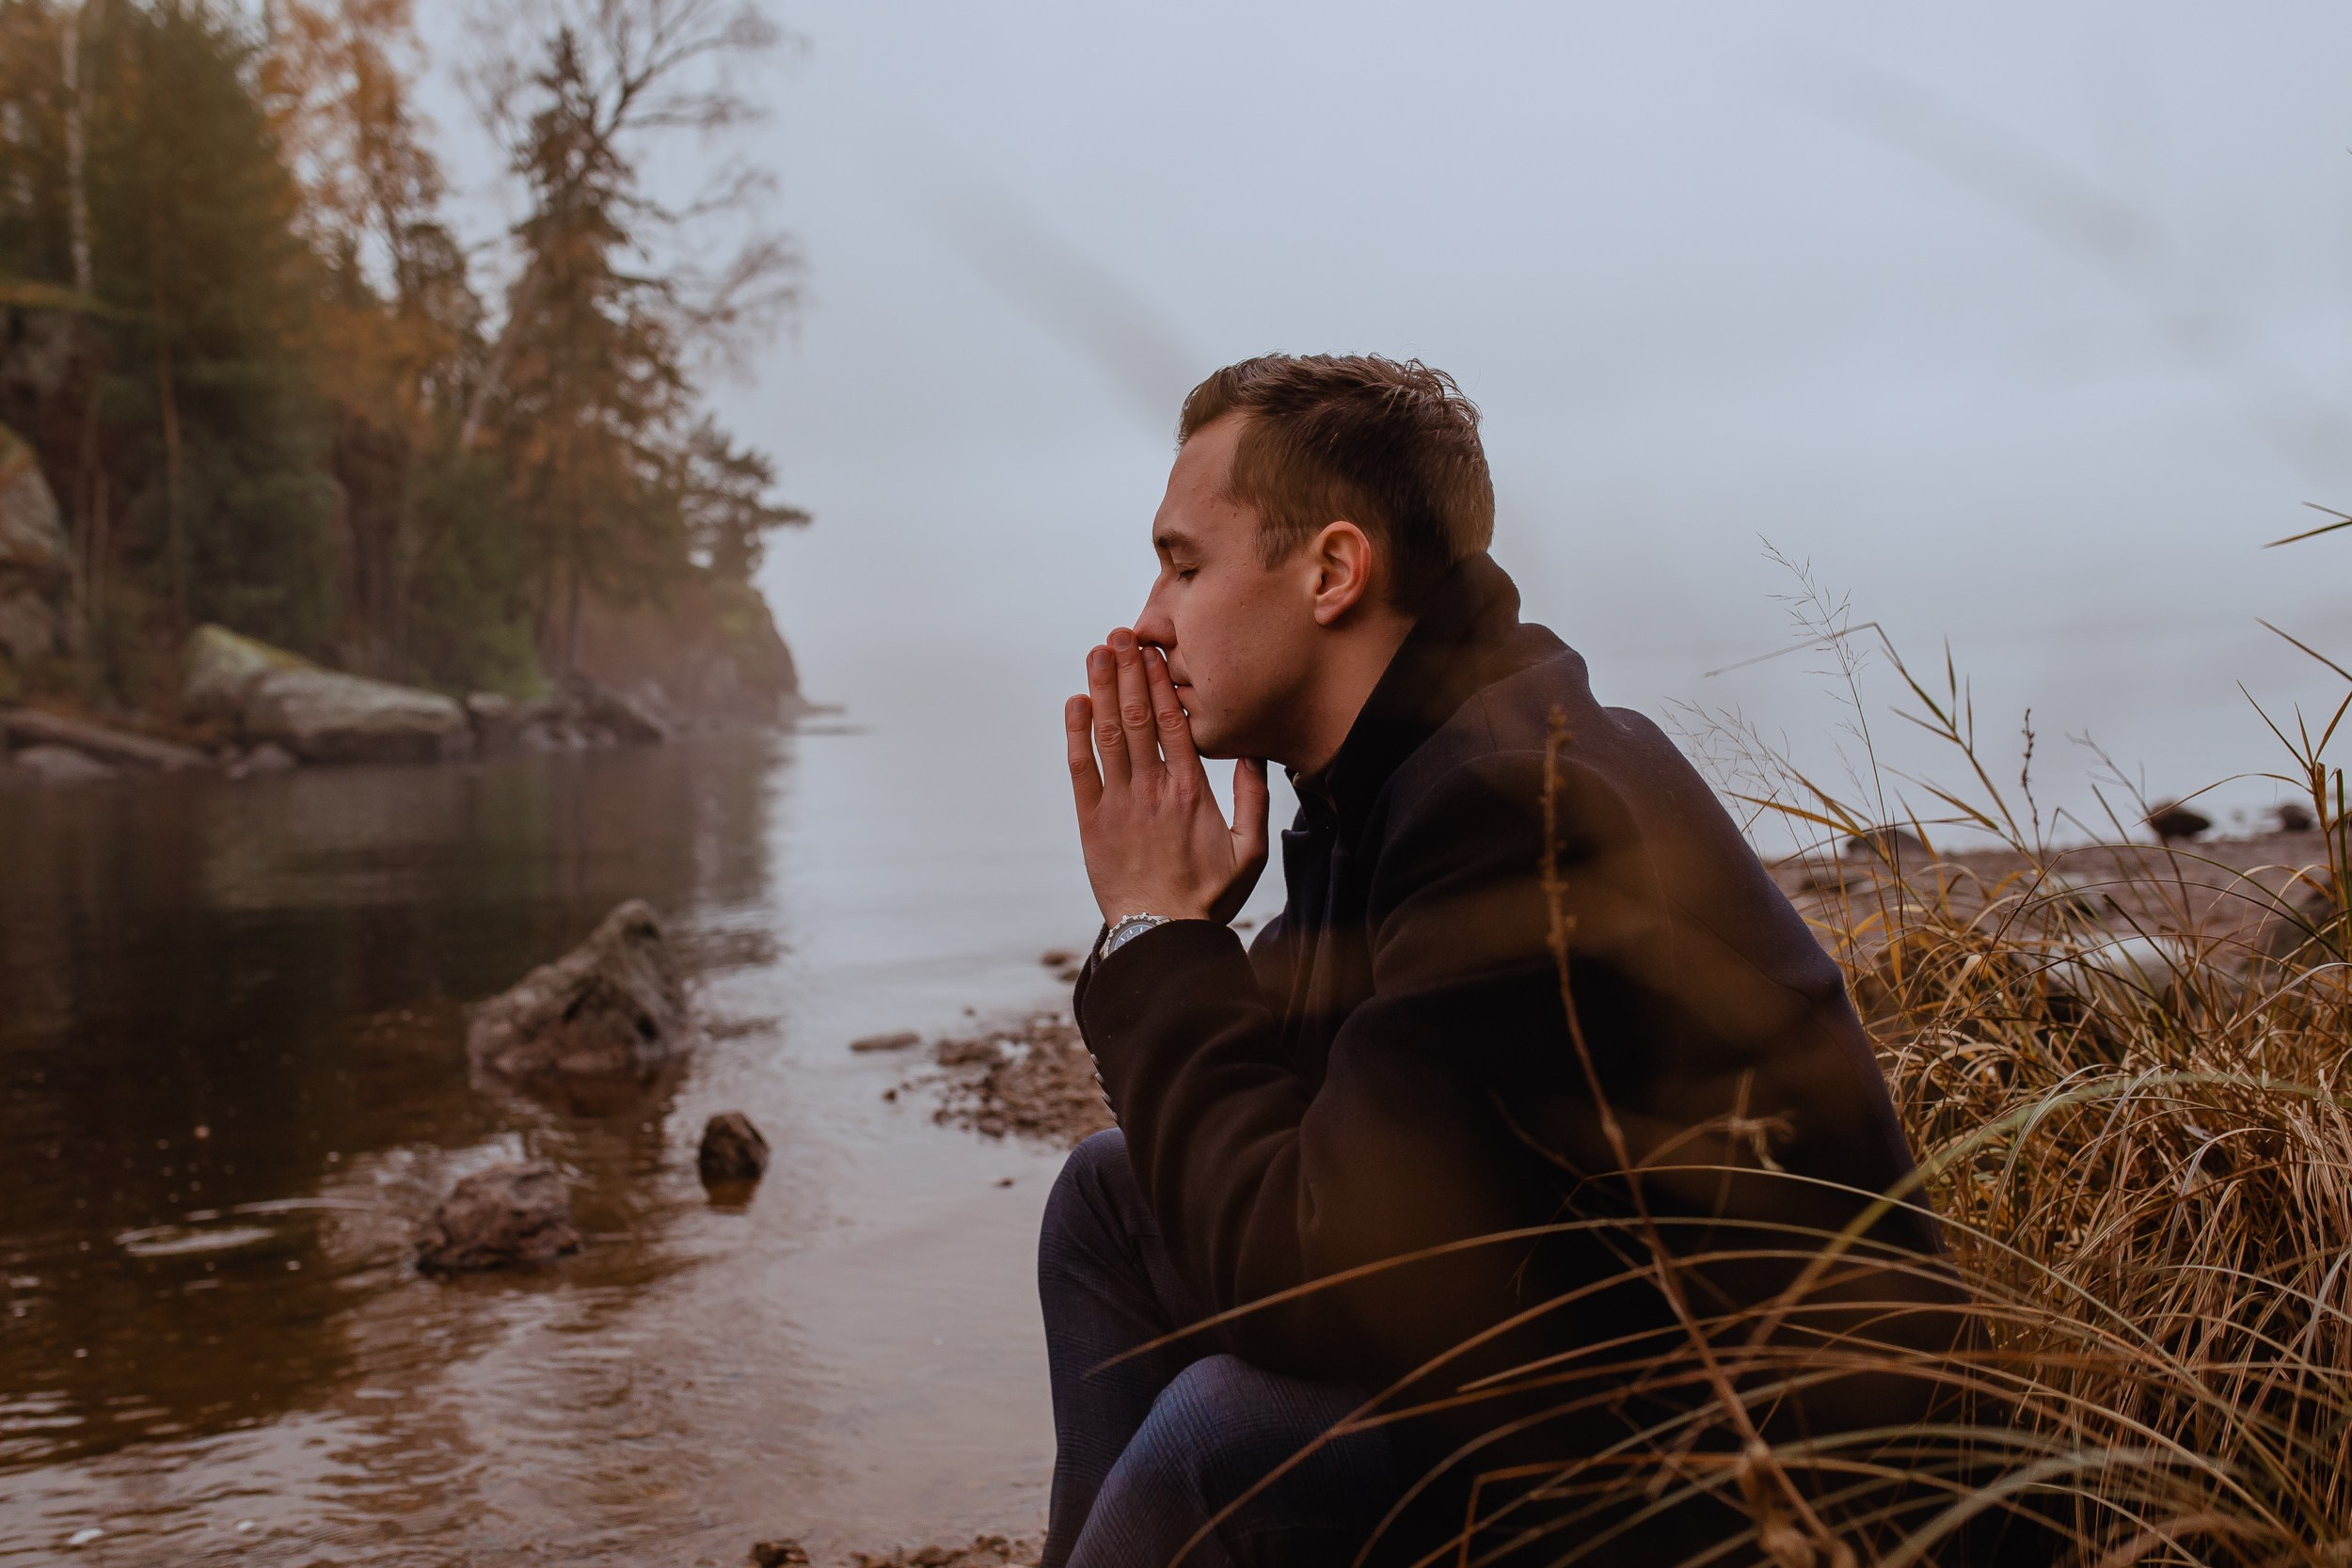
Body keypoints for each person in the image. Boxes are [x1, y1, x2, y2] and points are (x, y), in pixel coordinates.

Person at [1041, 355, 1964, 1568]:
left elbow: (1309, 1284)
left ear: (1332, 571)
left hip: (1789, 1491)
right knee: (1109, 1200)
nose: (1150, 620)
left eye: (1184, 564)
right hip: (1582, 1376)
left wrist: (1161, 943)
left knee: (1225, 1440)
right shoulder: (1399, 780)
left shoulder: (1516, 810)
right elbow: (1307, 1146)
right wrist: (1183, 940)